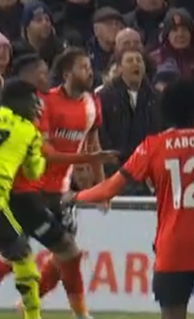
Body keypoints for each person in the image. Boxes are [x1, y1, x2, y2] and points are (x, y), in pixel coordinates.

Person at [65, 79, 194, 319]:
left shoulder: (153, 146)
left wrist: (75, 195)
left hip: (172, 250)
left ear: (166, 111)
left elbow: (108, 190)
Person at [0, 50, 118, 319]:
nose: (89, 71)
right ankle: (76, 314)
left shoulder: (91, 103)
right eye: (83, 66)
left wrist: (103, 186)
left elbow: (93, 144)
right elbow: (45, 154)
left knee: (57, 252)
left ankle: (41, 306)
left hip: (59, 191)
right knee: (59, 250)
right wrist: (87, 159)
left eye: (90, 66)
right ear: (67, 73)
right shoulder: (43, 104)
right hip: (32, 192)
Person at [0, 78, 48, 319]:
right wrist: (41, 158)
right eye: (33, 101)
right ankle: (33, 316)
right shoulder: (30, 131)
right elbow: (33, 172)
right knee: (21, 252)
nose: (38, 107)